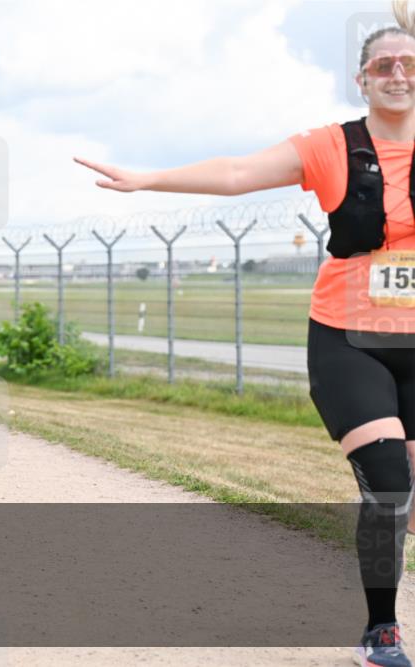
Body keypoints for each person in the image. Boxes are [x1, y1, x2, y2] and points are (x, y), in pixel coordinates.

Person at [75, 8, 415, 666]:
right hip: (349, 339)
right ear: (361, 80)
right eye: (383, 66)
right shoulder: (331, 146)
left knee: (404, 499)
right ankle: (382, 631)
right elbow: (236, 173)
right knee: (386, 480)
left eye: (409, 64)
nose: (397, 74)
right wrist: (148, 178)